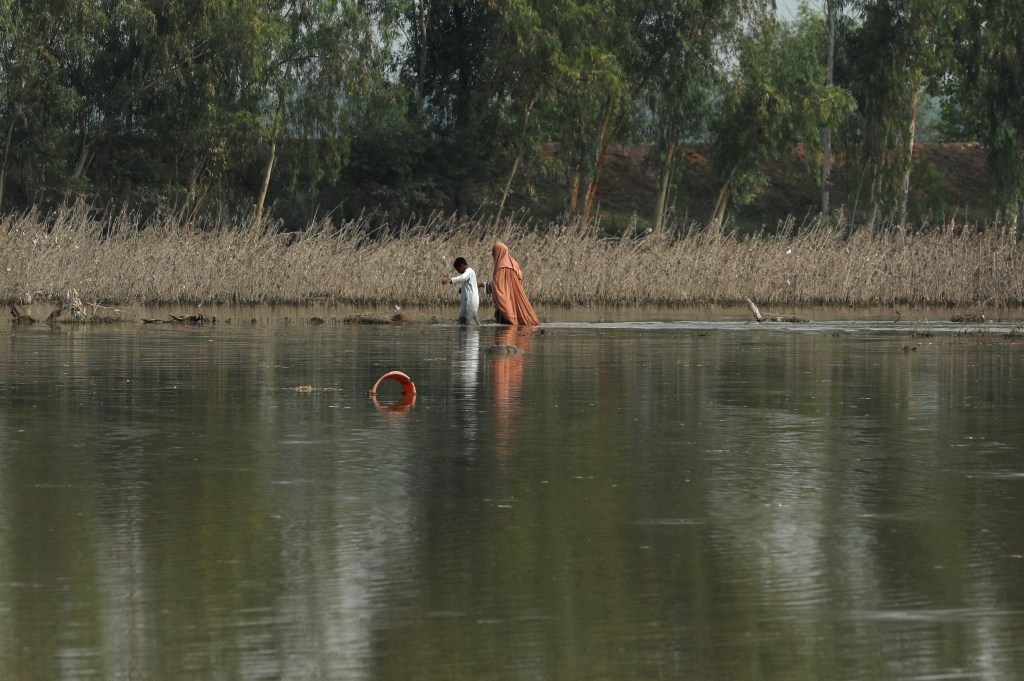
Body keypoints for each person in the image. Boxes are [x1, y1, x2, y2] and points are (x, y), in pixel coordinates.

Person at [480, 241, 541, 326]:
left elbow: (498, 286)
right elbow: (519, 279)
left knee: (506, 326)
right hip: (515, 297)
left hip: (506, 301)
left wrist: (482, 285)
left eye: (494, 252)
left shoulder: (501, 267)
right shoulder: (514, 264)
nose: (492, 255)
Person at [441, 256, 480, 325]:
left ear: (461, 266)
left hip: (471, 302)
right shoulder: (467, 273)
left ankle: (471, 334)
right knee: (463, 321)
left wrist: (450, 280)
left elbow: (463, 277)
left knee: (468, 323)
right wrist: (462, 289)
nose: (458, 272)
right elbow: (469, 285)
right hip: (467, 302)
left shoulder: (469, 272)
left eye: (458, 269)